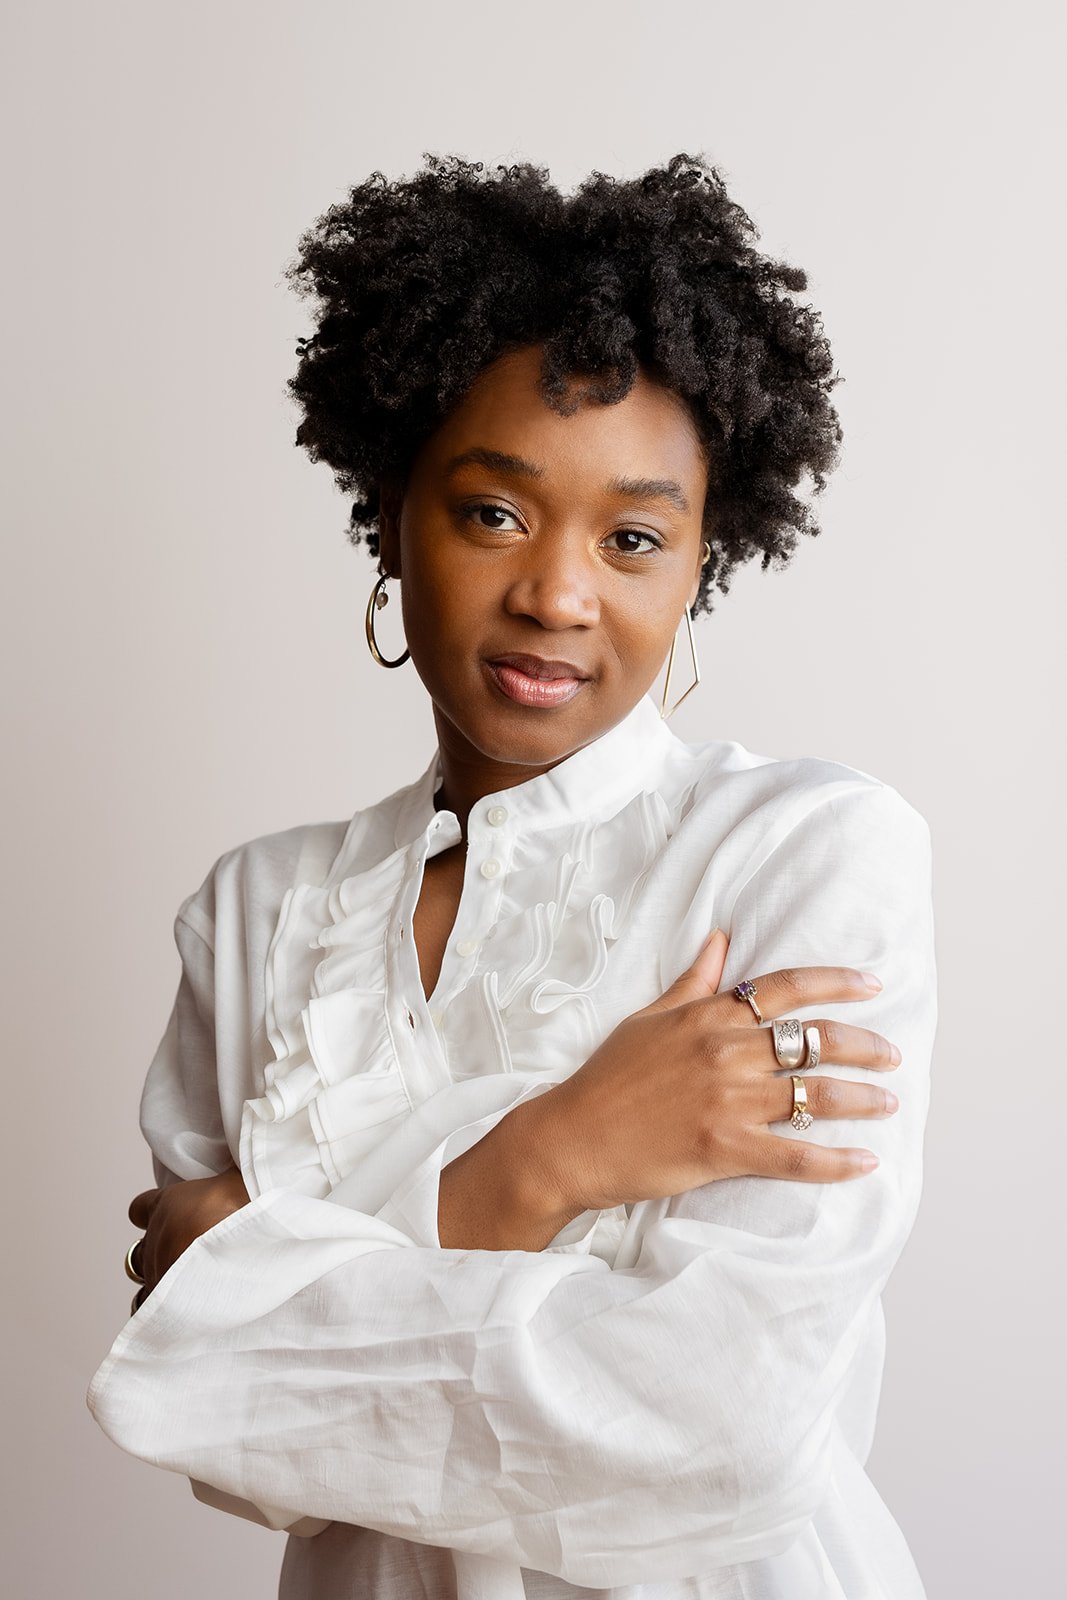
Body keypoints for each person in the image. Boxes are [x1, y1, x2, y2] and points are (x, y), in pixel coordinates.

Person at [87, 152, 937, 1599]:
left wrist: (276, 1279)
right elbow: (210, 1434)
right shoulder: (252, 914)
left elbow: (721, 1429)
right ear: (391, 513)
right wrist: (547, 1163)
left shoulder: (807, 854)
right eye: (493, 513)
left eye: (634, 538)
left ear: (698, 572)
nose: (556, 590)